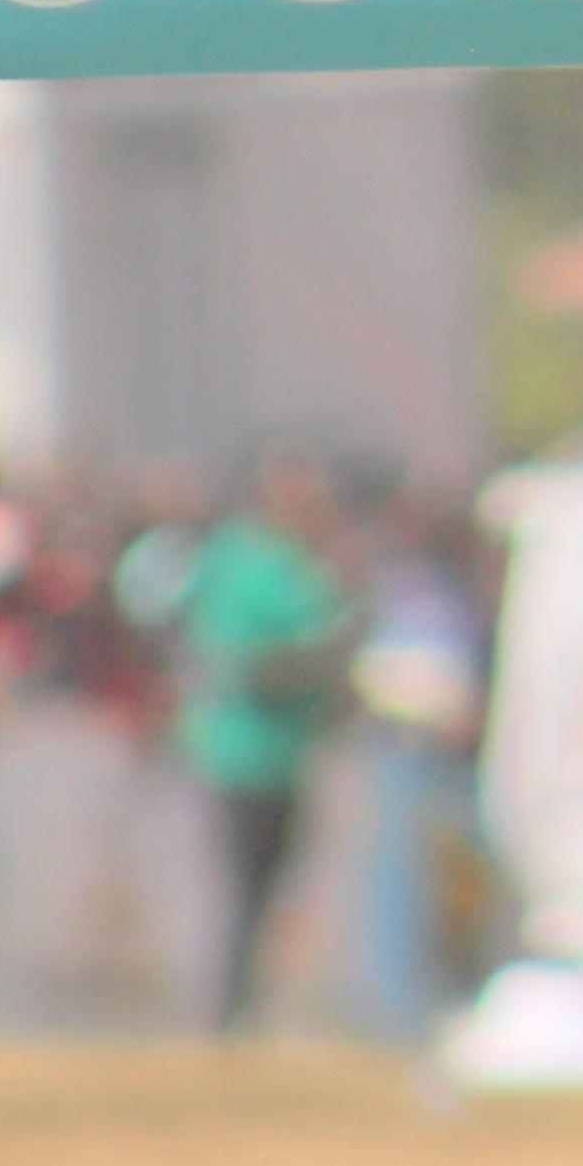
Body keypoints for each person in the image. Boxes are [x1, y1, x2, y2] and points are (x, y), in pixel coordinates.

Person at [173, 440, 356, 1032]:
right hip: (243, 753)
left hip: (285, 753)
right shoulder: (245, 564)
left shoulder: (297, 565)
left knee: (273, 890)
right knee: (246, 889)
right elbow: (247, 663)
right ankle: (229, 1013)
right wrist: (323, 663)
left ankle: (253, 1008)